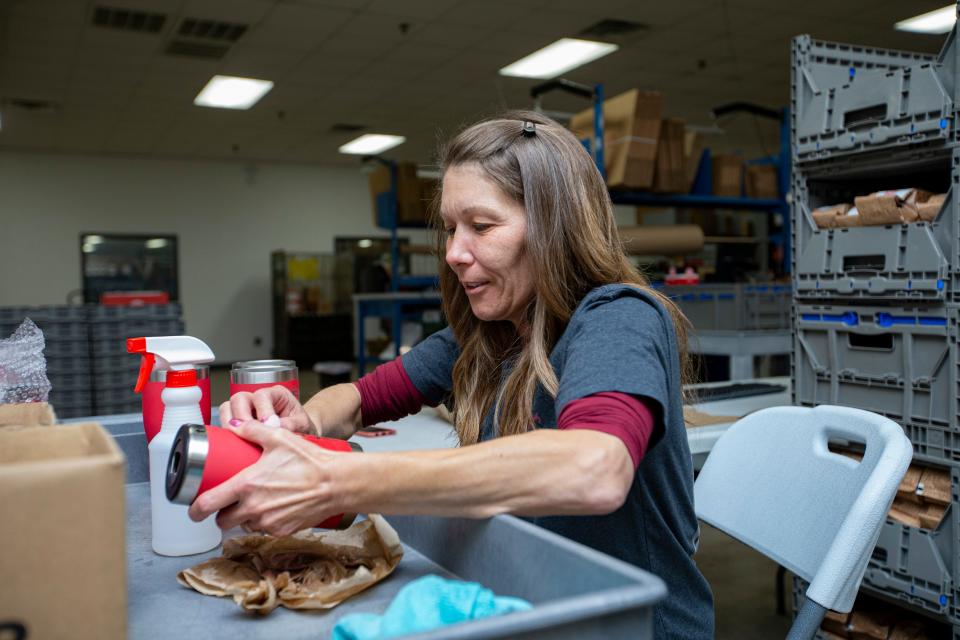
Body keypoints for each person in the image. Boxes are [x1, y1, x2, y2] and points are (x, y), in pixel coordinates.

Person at [191, 111, 714, 638]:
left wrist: (338, 482)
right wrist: (302, 422)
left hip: (636, 625)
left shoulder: (618, 318)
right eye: (449, 228)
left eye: (481, 227)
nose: (453, 253)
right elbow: (359, 398)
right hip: (531, 599)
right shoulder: (490, 335)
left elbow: (595, 467)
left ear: (556, 229)